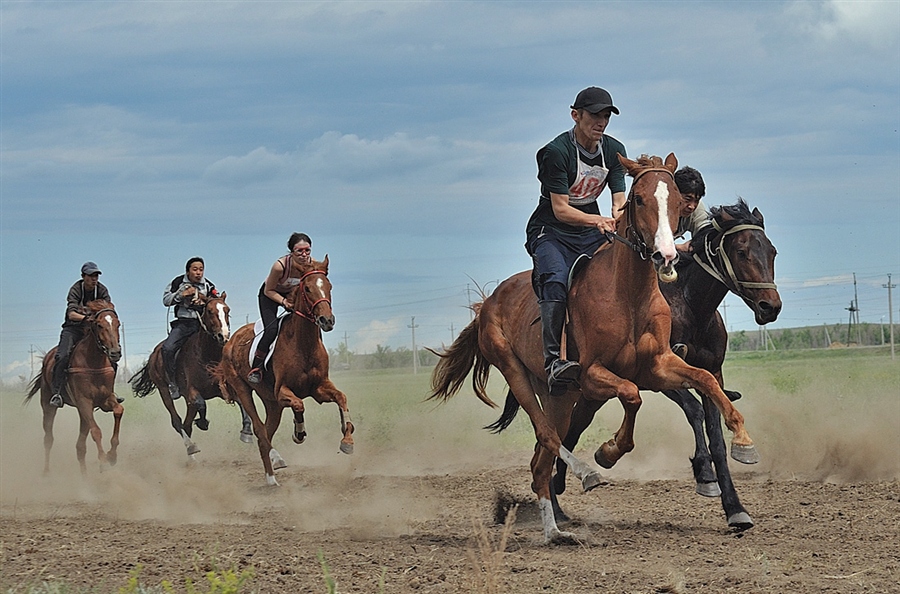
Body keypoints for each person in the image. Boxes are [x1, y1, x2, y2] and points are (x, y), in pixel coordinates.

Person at [525, 87, 627, 396]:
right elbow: (561, 209)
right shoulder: (557, 152)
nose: (601, 122)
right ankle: (554, 361)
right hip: (551, 231)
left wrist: (624, 221)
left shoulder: (614, 150)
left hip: (590, 230)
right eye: (594, 115)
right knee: (556, 280)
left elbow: (618, 203)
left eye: (606, 116)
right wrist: (598, 221)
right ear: (575, 115)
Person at [247, 232, 313, 384]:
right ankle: (257, 367)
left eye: (307, 250)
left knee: (310, 324)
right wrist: (284, 302)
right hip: (270, 296)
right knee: (271, 330)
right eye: (299, 251)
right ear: (292, 252)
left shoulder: (312, 265)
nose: (304, 255)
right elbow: (268, 291)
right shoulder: (279, 266)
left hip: (292, 295)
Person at [50, 262, 116, 408]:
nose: (94, 279)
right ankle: (57, 393)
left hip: (92, 329)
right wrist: (86, 318)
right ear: (83, 276)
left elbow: (108, 309)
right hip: (73, 329)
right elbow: (71, 314)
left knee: (112, 356)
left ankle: (110, 393)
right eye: (91, 276)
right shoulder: (75, 290)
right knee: (62, 356)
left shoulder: (102, 290)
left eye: (96, 276)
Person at [161, 257, 218, 399]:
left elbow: (216, 302)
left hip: (203, 326)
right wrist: (181, 295)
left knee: (223, 345)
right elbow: (166, 300)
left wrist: (204, 301)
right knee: (167, 348)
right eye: (195, 269)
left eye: (201, 270)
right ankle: (173, 382)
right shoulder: (177, 282)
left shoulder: (209, 286)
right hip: (184, 324)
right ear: (188, 271)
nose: (198, 273)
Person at [673, 166, 712, 255]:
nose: (692, 206)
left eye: (696, 201)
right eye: (687, 199)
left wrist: (693, 244)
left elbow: (706, 234)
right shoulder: (656, 208)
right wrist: (678, 247)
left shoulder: (697, 208)